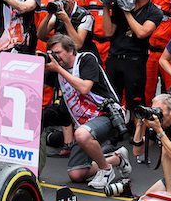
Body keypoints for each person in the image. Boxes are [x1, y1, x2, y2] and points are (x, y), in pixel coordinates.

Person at [43, 34, 129, 189]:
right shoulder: (57, 68)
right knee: (77, 174)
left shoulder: (86, 59)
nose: (55, 57)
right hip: (86, 125)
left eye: (58, 52)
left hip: (109, 115)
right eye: (52, 53)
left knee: (81, 134)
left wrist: (58, 69)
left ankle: (106, 170)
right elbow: (38, 85)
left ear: (70, 51)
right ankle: (116, 159)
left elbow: (84, 87)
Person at [101, 0, 163, 138]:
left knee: (135, 103)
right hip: (114, 58)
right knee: (111, 100)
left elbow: (142, 33)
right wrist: (107, 7)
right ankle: (111, 133)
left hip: (135, 60)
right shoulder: (119, 6)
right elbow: (108, 32)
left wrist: (126, 10)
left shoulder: (154, 11)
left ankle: (137, 137)